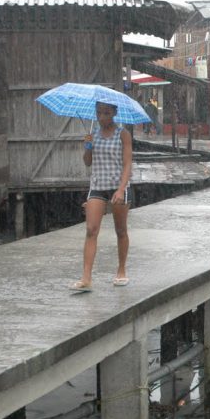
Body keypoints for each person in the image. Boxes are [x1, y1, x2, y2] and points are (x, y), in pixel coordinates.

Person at [71, 101, 133, 292]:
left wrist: (121, 189)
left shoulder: (123, 134)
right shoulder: (94, 134)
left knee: (120, 230)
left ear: (114, 112)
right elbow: (87, 162)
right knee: (91, 229)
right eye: (99, 113)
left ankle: (121, 270)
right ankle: (86, 277)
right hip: (98, 185)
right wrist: (88, 147)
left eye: (106, 113)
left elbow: (127, 164)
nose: (102, 117)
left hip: (117, 185)